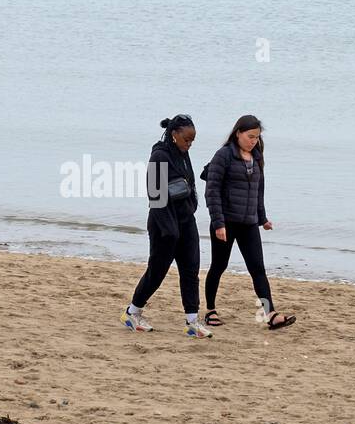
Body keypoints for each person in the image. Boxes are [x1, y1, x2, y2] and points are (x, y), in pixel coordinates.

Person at [122, 115, 213, 339]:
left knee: (191, 271)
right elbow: (155, 195)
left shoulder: (184, 153)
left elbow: (189, 183)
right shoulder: (160, 156)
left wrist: (191, 206)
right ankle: (132, 313)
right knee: (157, 271)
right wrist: (169, 229)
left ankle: (192, 321)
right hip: (164, 224)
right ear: (174, 135)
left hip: (185, 221)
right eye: (186, 140)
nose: (189, 144)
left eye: (192, 141)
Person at [203, 114, 295, 329]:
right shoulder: (224, 155)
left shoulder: (256, 157)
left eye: (257, 137)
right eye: (250, 136)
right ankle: (210, 310)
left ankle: (270, 313)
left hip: (248, 223)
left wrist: (262, 219)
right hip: (226, 222)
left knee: (258, 269)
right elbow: (212, 191)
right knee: (219, 266)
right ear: (238, 133)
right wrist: (218, 223)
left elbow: (258, 192)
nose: (253, 141)